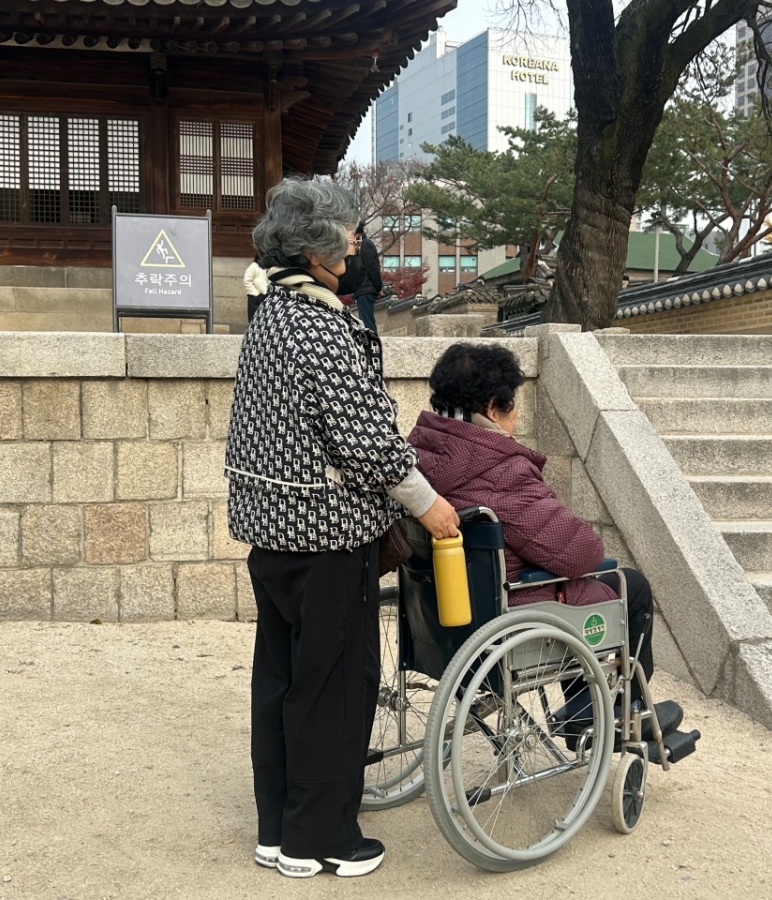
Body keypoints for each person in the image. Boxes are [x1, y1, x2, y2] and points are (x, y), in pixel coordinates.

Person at [226, 177, 460, 879]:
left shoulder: (270, 315)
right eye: (350, 235)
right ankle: (320, 839)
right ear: (316, 248)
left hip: (272, 532)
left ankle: (278, 829)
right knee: (333, 689)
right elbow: (367, 443)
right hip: (326, 536)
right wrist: (427, 502)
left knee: (282, 680)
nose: (358, 246)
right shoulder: (321, 326)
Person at [406, 342, 683, 747]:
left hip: (440, 618)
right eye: (513, 403)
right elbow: (579, 552)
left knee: (579, 586)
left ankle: (586, 711)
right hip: (510, 613)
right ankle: (622, 711)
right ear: (492, 408)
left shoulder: (415, 461)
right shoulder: (499, 467)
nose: (517, 413)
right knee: (628, 585)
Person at [351, 221, 383, 333]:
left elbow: (373, 268)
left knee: (367, 324)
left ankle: (373, 343)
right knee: (365, 322)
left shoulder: (365, 244)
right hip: (362, 289)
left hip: (365, 289)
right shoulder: (358, 245)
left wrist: (378, 287)